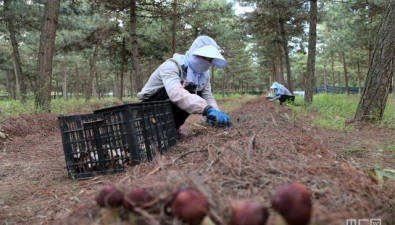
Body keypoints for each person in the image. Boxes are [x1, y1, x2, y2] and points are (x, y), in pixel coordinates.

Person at [137, 36, 231, 139]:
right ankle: (151, 130)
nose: (206, 62)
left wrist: (215, 111)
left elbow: (207, 95)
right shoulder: (172, 65)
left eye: (209, 60)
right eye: (203, 57)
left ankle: (173, 128)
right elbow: (176, 93)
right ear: (194, 52)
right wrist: (206, 109)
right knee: (185, 93)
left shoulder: (204, 75)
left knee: (195, 93)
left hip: (170, 103)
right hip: (150, 105)